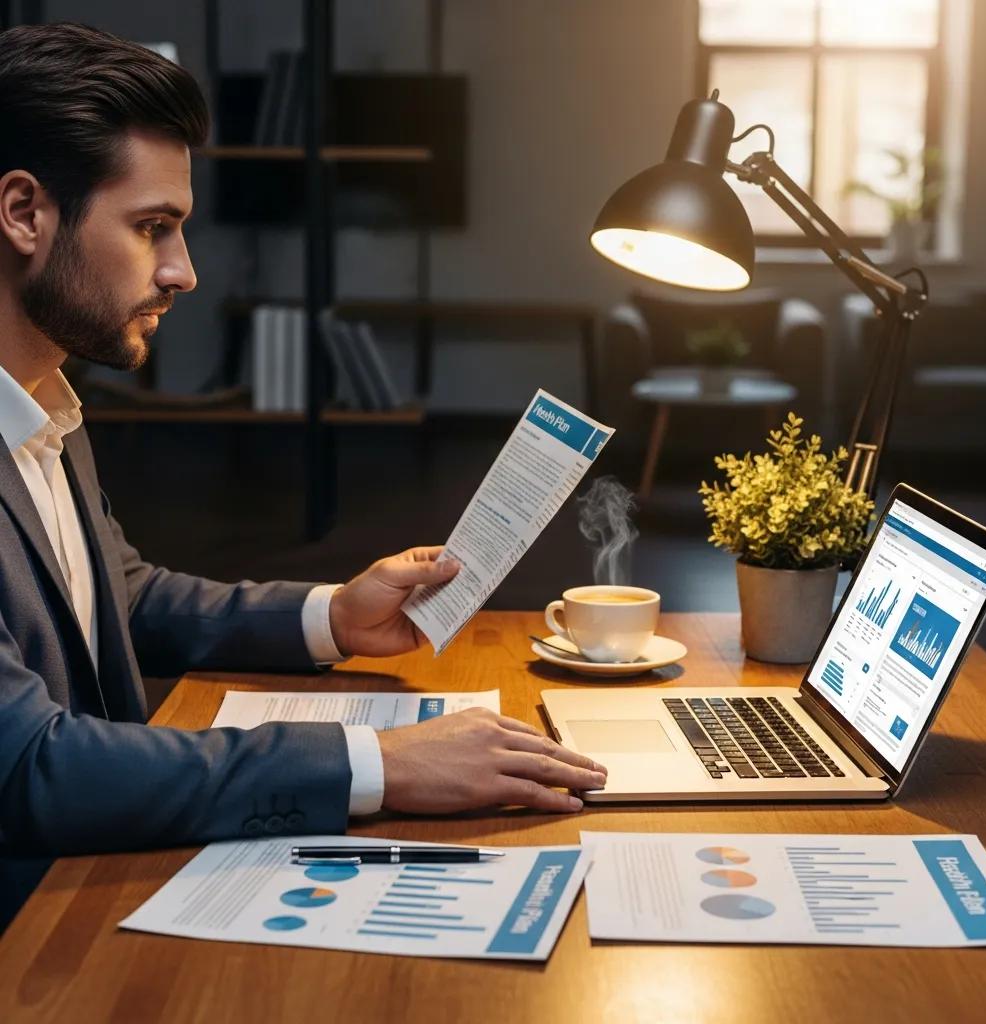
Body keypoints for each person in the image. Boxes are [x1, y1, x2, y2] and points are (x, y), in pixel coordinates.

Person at [0, 22, 606, 928]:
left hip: (100, 879)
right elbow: (28, 768)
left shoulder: (43, 403)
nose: (183, 271)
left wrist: (331, 616)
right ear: (23, 212)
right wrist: (381, 766)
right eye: (151, 227)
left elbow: (116, 599)